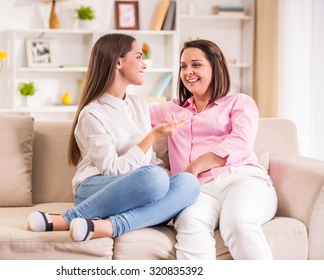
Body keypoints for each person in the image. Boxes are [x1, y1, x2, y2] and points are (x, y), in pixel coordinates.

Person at [26, 33, 200, 242]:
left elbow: (150, 163)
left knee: (188, 183)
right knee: (155, 178)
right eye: (138, 57)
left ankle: (107, 226)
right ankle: (71, 216)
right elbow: (112, 170)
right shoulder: (92, 114)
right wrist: (153, 136)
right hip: (96, 189)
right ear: (119, 62)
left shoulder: (139, 104)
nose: (144, 65)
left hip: (138, 190)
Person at [150, 39, 278, 259]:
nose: (188, 72)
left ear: (215, 66)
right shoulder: (172, 110)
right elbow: (128, 114)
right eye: (183, 66)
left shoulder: (239, 102)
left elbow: (240, 141)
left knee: (237, 222)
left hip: (242, 178)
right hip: (199, 191)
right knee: (189, 223)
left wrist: (194, 166)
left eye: (196, 65)